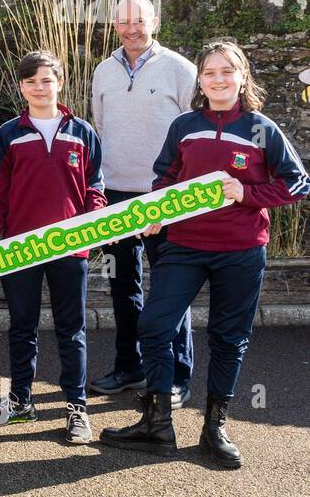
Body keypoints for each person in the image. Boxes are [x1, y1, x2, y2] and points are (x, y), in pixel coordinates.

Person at [100, 41, 308, 467]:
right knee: (155, 325)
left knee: (228, 338)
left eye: (226, 71)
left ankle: (215, 427)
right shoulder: (183, 125)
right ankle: (156, 424)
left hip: (241, 250)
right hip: (184, 245)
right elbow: (165, 176)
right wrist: (156, 210)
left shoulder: (261, 128)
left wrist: (247, 193)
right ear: (200, 79)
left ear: (242, 76)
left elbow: (298, 184)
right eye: (210, 72)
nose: (218, 79)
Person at [0, 51, 106, 444]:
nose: (39, 87)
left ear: (59, 83)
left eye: (46, 80)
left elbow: (95, 188)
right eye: (31, 82)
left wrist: (95, 225)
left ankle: (76, 407)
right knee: (22, 327)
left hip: (70, 245)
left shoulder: (82, 131)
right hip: (20, 247)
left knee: (71, 329)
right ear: (21, 87)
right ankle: (20, 401)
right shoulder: (10, 133)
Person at [89, 0, 197, 407]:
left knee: (172, 287)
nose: (132, 29)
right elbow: (102, 127)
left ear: (155, 21)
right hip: (115, 193)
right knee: (123, 286)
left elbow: (193, 130)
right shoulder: (103, 71)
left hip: (165, 196)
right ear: (114, 25)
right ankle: (129, 366)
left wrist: (177, 189)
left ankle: (176, 376)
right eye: (123, 22)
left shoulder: (180, 70)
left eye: (140, 20)